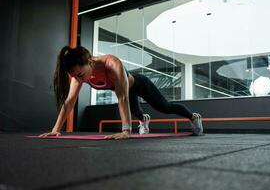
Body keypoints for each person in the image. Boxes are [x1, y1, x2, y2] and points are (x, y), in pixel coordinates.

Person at [39, 46, 203, 139]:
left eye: (80, 75)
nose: (79, 80)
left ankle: (194, 117)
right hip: (125, 92)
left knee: (165, 107)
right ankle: (143, 120)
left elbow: (122, 96)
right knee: (137, 112)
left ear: (89, 62)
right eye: (75, 77)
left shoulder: (111, 63)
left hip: (139, 84)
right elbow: (69, 102)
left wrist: (126, 131)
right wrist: (55, 129)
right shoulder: (79, 75)